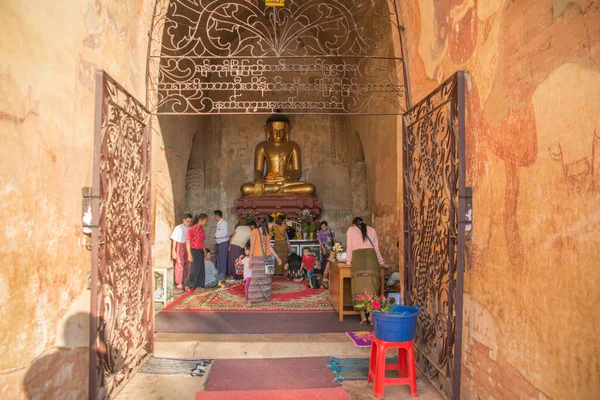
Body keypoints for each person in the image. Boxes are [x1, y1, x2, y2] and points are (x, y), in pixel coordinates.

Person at [346, 216, 388, 325]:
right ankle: (371, 317)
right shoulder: (372, 230)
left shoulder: (351, 230)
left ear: (353, 224)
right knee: (372, 288)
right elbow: (376, 248)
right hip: (371, 259)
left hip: (358, 259)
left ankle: (363, 317)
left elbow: (349, 248)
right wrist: (382, 262)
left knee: (358, 287)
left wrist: (348, 262)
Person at [248, 216, 281, 304]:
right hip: (257, 258)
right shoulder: (255, 231)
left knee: (267, 278)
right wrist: (250, 259)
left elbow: (269, 246)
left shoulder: (268, 233)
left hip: (268, 258)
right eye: (272, 223)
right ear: (268, 223)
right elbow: (252, 246)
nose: (273, 225)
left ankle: (265, 297)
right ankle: (251, 299)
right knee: (255, 279)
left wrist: (277, 257)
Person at [184, 214, 209, 292]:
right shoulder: (191, 230)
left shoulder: (202, 230)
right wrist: (189, 254)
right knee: (193, 269)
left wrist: (204, 251)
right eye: (205, 221)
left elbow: (202, 242)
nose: (206, 223)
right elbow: (188, 242)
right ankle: (187, 284)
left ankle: (198, 286)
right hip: (193, 251)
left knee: (200, 269)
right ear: (200, 220)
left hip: (200, 251)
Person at [170, 213, 192, 293]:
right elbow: (174, 240)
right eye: (187, 221)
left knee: (187, 264)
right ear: (183, 220)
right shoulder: (178, 228)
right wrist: (173, 251)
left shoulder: (190, 228)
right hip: (180, 245)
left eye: (190, 222)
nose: (188, 223)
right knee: (179, 264)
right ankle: (179, 282)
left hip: (187, 246)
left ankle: (185, 281)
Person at [210, 210, 230, 276]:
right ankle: (219, 273)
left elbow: (225, 233)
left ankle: (222, 274)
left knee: (222, 259)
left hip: (223, 243)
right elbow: (219, 232)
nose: (214, 217)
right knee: (218, 259)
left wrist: (216, 235)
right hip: (218, 243)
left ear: (216, 216)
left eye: (214, 216)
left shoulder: (224, 223)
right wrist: (215, 235)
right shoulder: (218, 223)